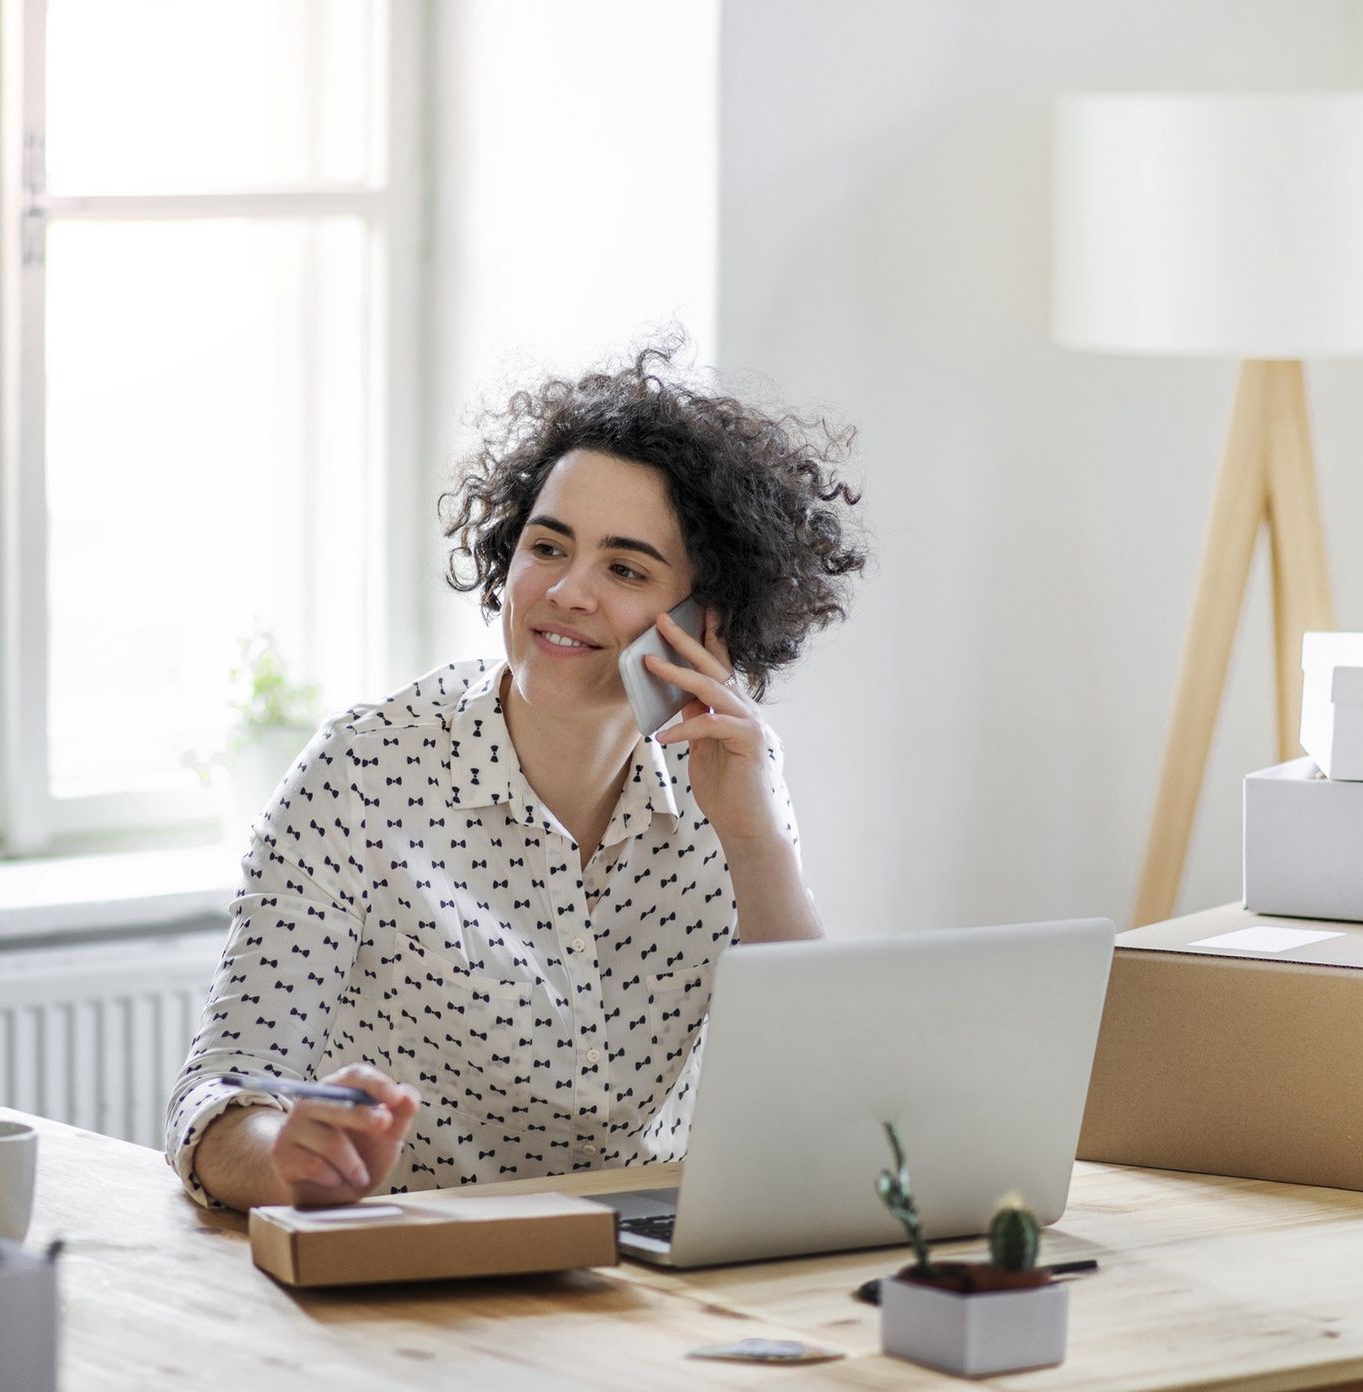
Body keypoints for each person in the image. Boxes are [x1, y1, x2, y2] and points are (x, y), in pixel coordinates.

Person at [164, 341, 866, 1210]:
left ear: (704, 617)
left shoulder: (727, 767)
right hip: (416, 1271)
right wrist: (289, 1156)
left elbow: (818, 1085)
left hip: (646, 1278)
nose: (566, 592)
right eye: (547, 546)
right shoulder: (362, 774)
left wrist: (754, 838)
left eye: (624, 568)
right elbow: (215, 1101)